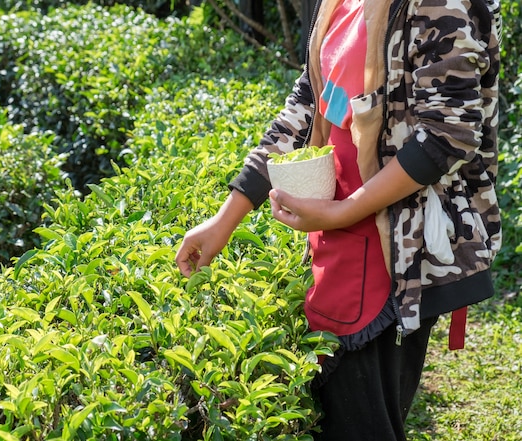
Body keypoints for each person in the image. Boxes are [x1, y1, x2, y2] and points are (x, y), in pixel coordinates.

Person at [175, 0, 502, 438]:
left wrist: (344, 210)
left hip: (397, 254)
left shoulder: (436, 4)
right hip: (337, 240)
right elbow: (308, 103)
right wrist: (225, 219)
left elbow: (450, 133)